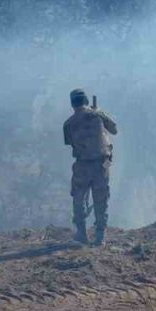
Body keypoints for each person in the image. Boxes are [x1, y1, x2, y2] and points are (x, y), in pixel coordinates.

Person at [63, 89, 118, 246]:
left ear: (72, 104)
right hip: (102, 164)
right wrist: (99, 112)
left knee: (78, 198)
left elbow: (70, 143)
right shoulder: (98, 115)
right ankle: (100, 237)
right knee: (101, 199)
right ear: (86, 100)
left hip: (82, 165)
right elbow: (114, 130)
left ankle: (81, 234)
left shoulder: (68, 124)